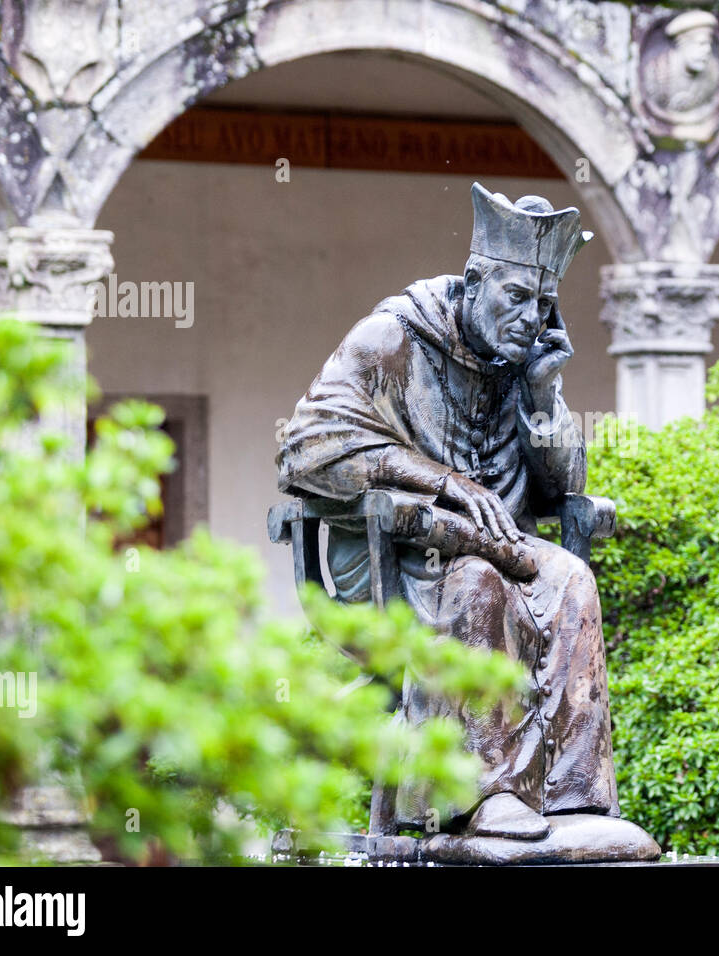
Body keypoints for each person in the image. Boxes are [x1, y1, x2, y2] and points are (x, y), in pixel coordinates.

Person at [277, 183, 651, 850]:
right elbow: (304, 451)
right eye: (517, 298)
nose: (531, 319)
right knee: (476, 581)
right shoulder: (392, 336)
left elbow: (564, 484)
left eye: (543, 306)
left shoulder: (521, 365)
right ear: (476, 281)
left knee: (570, 579)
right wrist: (436, 480)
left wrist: (542, 390)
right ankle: (483, 796)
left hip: (502, 551)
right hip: (388, 564)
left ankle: (573, 798)